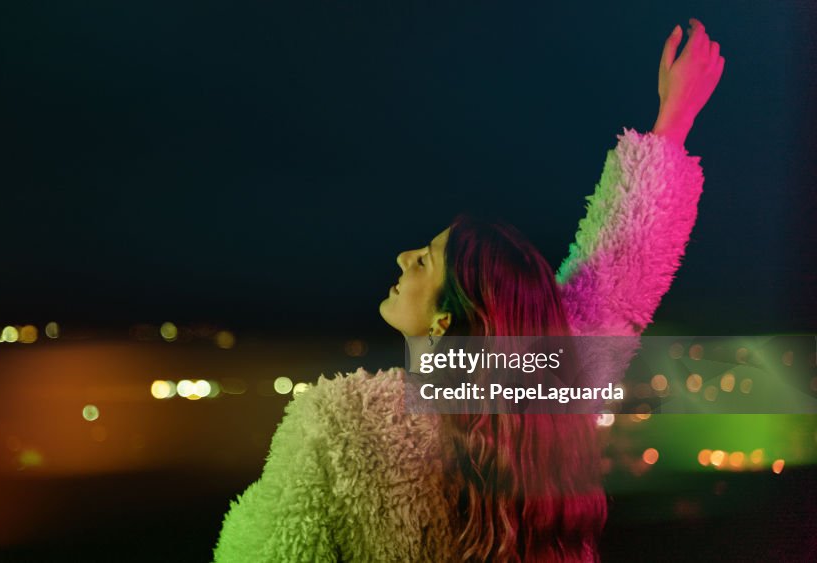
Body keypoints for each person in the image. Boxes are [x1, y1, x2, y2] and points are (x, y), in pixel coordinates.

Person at [213, 18, 724, 562]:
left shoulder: (338, 427)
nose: (402, 257)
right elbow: (616, 278)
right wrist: (674, 122)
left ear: (446, 321)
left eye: (425, 260)